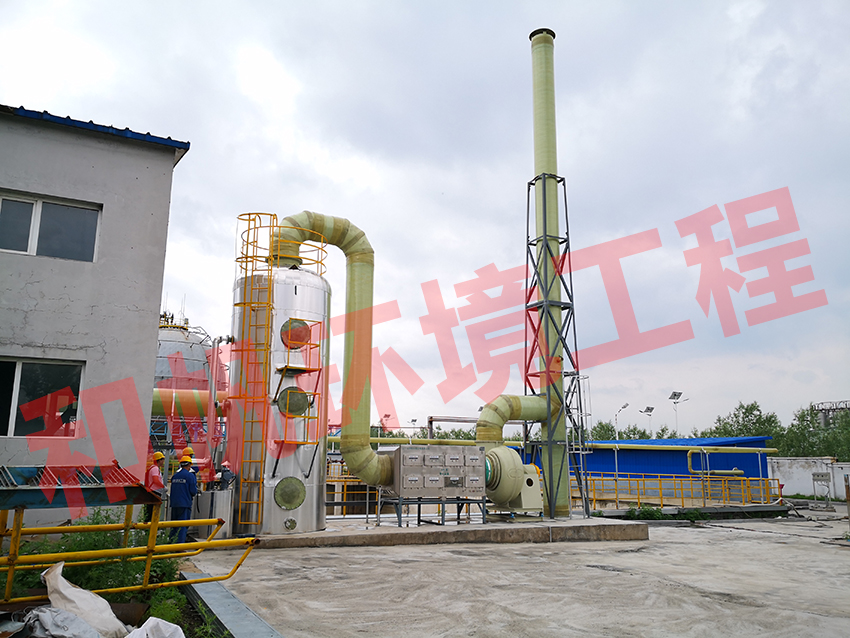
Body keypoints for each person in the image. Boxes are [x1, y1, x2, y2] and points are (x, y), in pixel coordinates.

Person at [169, 456, 197, 544]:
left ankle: (171, 543)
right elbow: (193, 491)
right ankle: (180, 546)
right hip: (184, 504)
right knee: (183, 525)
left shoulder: (175, 476)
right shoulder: (190, 476)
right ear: (189, 465)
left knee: (174, 525)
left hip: (174, 504)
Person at [143, 452, 166, 522]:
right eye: (162, 459)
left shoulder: (152, 468)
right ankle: (151, 527)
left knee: (149, 513)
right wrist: (163, 487)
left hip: (151, 493)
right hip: (154, 494)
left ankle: (148, 527)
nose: (163, 461)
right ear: (159, 460)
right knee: (152, 513)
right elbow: (155, 480)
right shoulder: (155, 469)